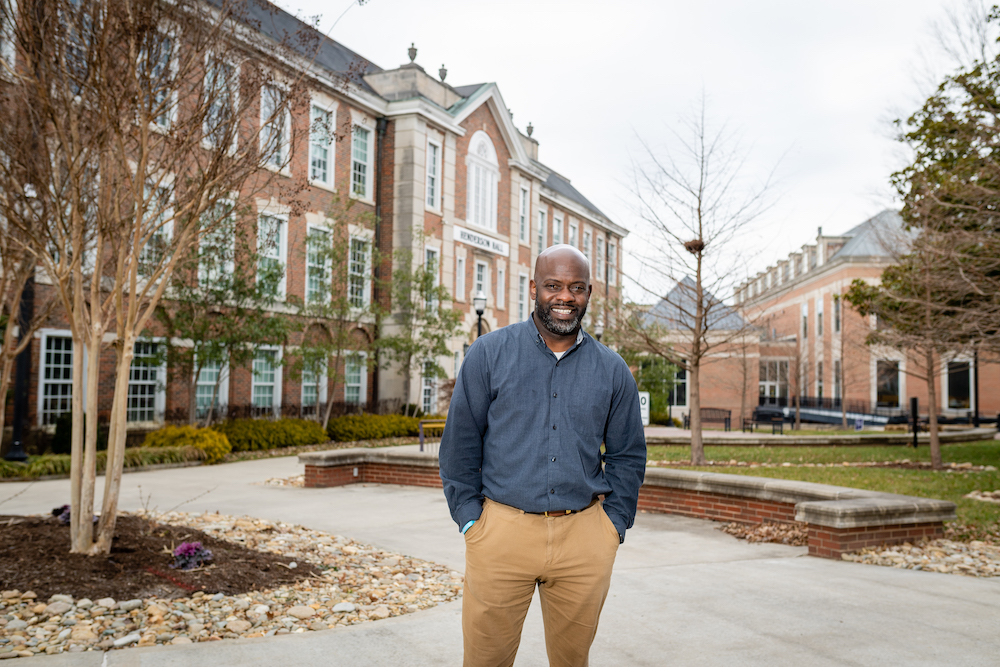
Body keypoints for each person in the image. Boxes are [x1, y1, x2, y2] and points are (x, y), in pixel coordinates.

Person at [439, 244, 647, 667]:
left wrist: (613, 527)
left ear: (590, 293)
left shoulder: (612, 369)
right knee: (485, 660)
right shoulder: (488, 354)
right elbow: (460, 446)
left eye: (576, 287)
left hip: (584, 538)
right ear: (534, 287)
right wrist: (470, 519)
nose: (565, 297)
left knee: (572, 662)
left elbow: (627, 455)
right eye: (553, 285)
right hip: (500, 534)